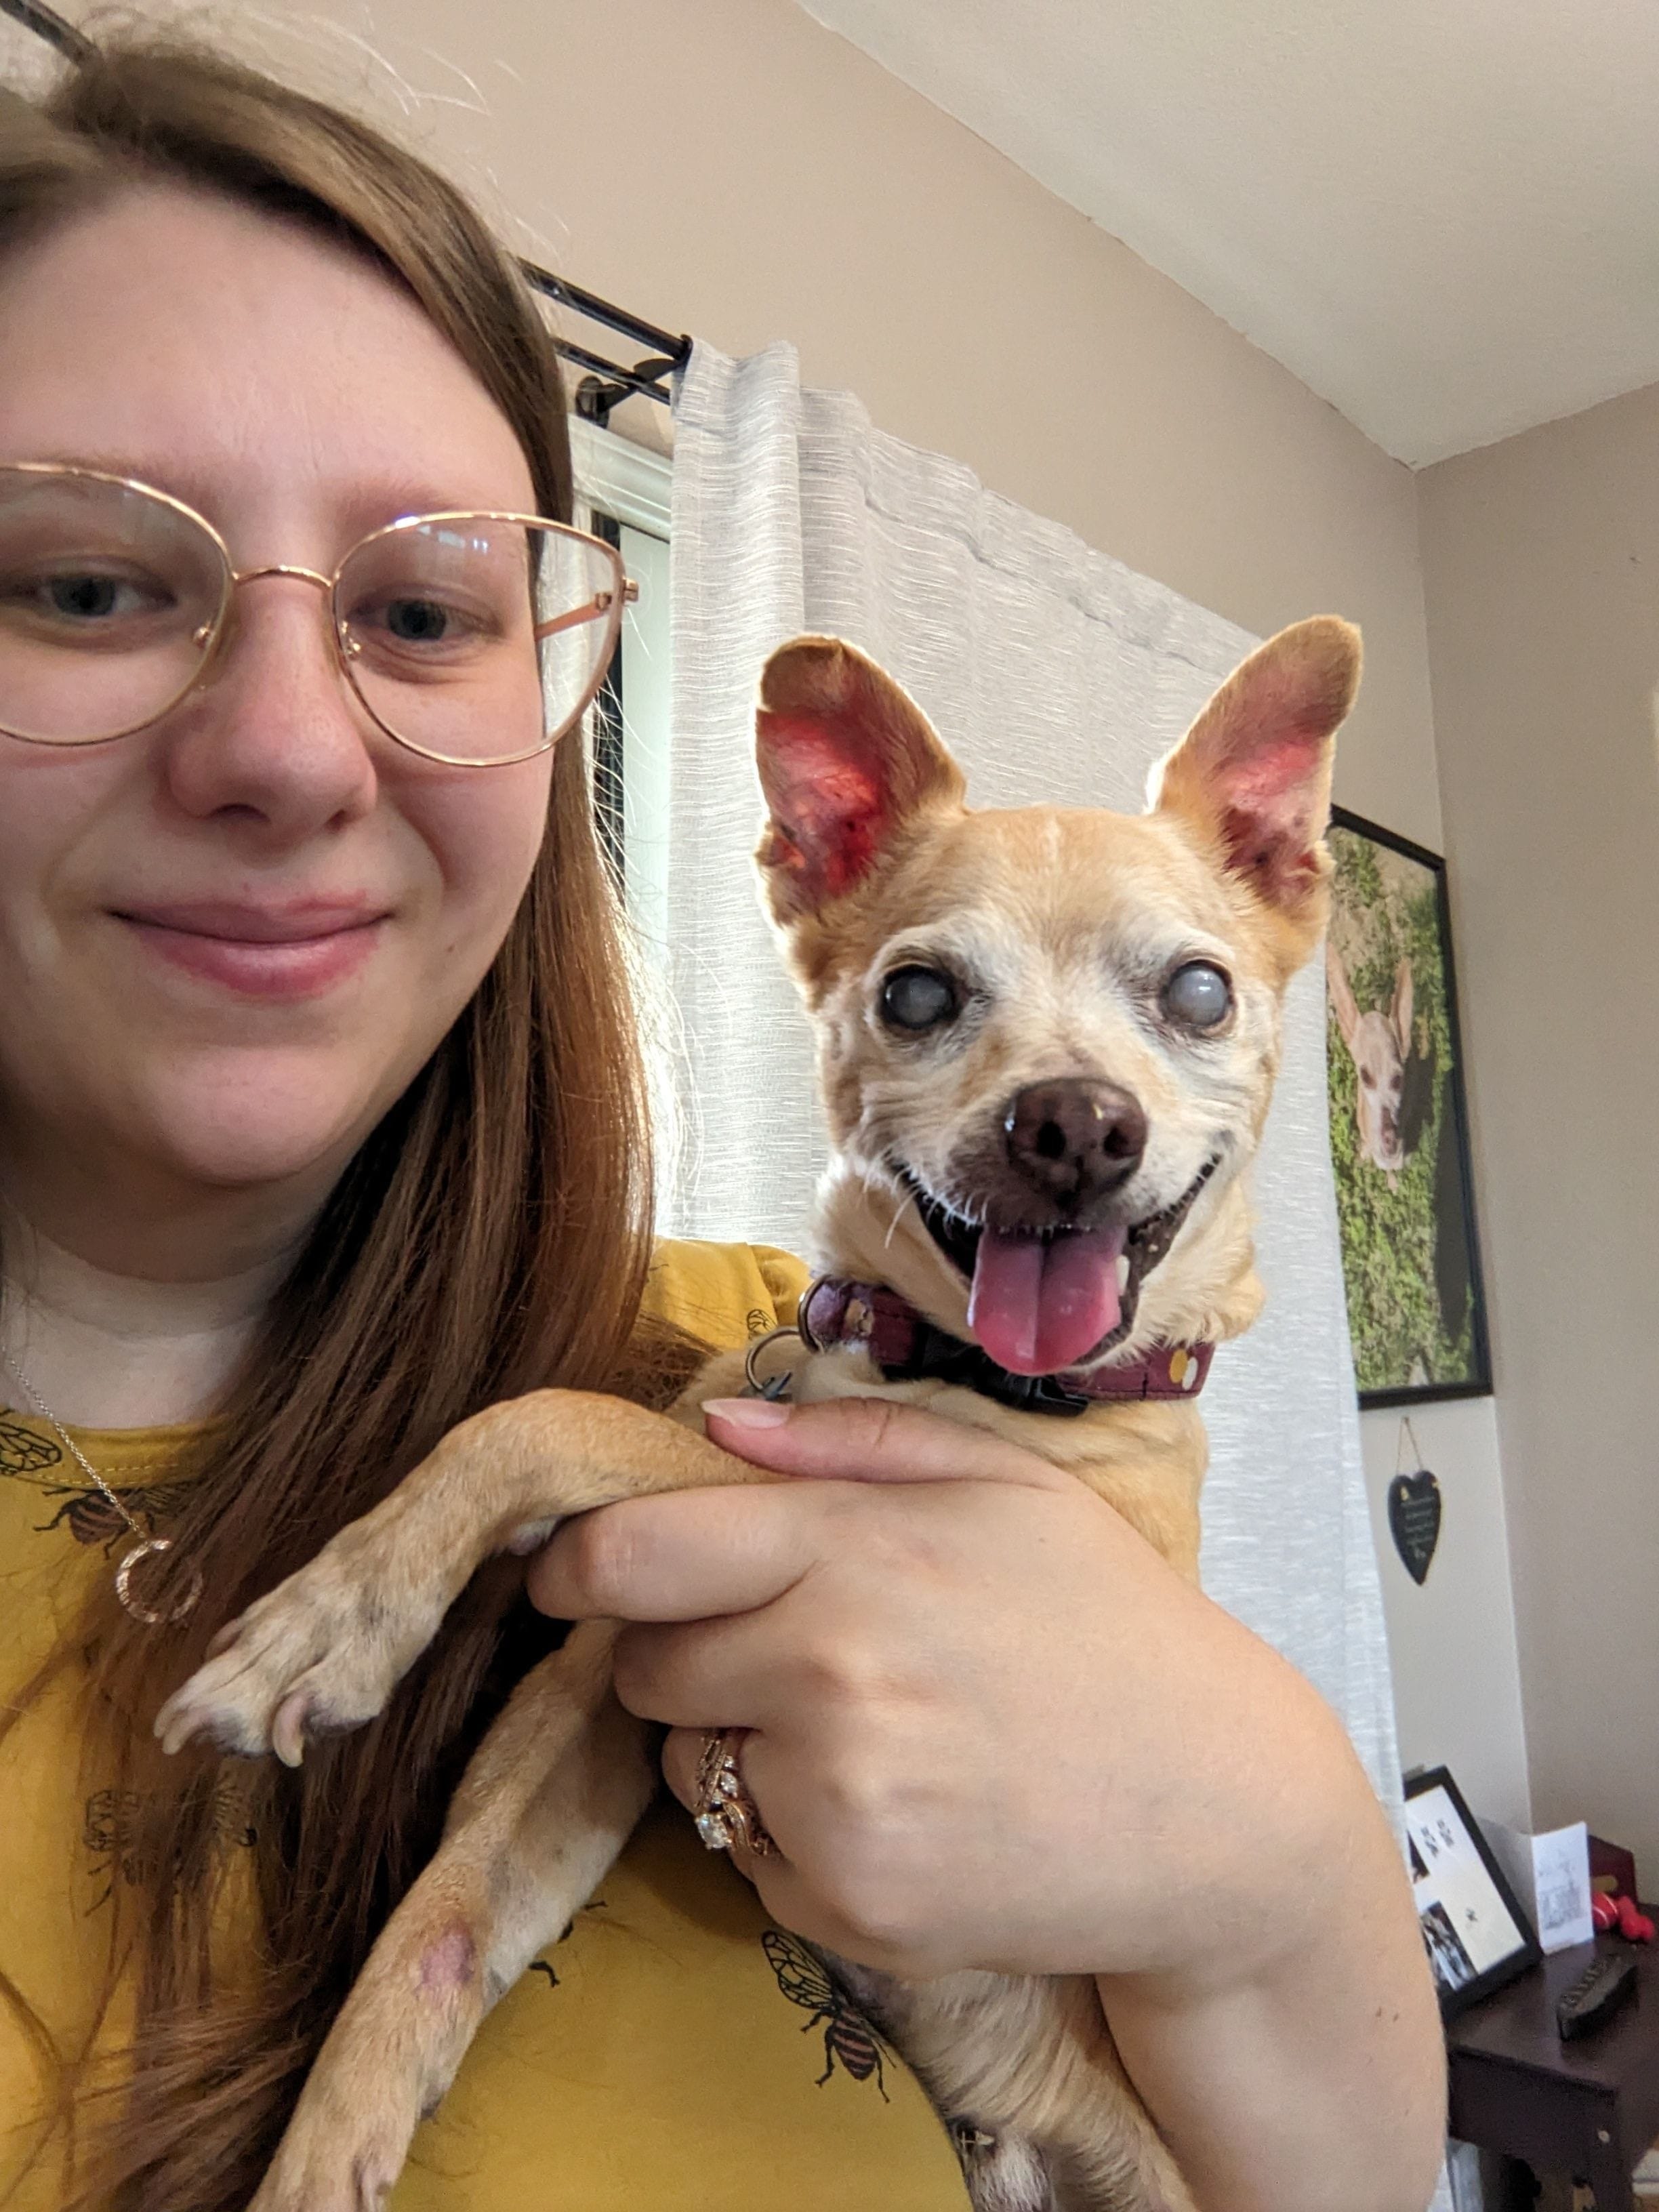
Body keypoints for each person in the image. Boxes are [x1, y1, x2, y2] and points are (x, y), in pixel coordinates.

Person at [0, 32, 1445, 2212]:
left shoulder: (740, 1347)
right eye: (89, 581)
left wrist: (1290, 1864)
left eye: (421, 610)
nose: (287, 752)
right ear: (822, 911)